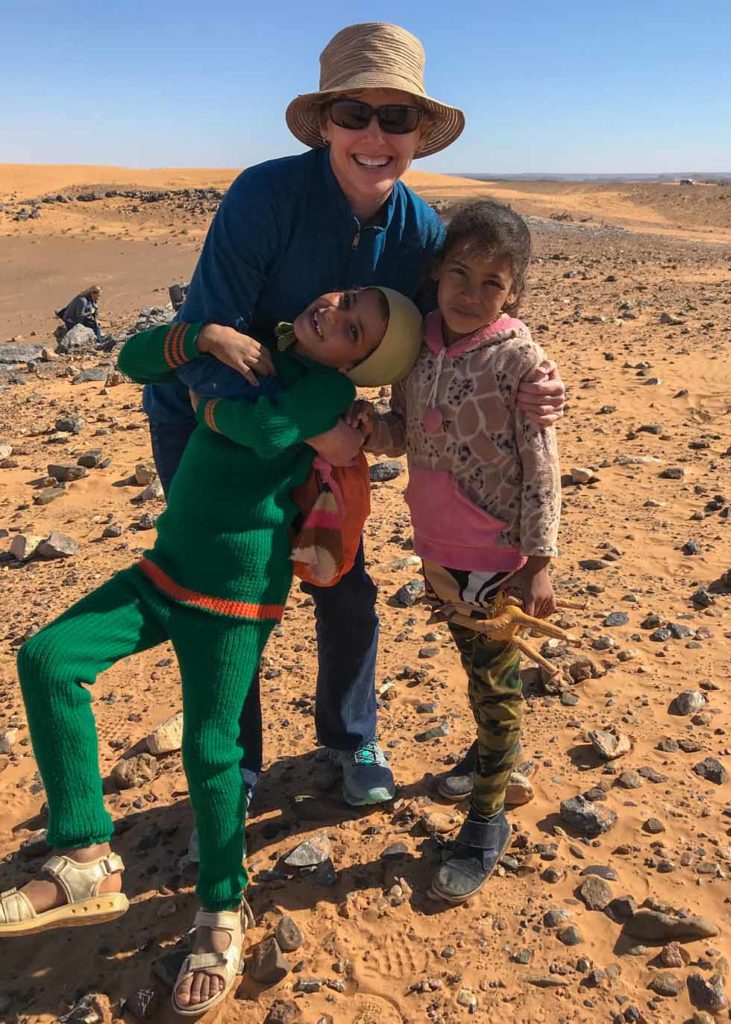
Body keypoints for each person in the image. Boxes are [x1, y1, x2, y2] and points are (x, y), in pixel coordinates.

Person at [144, 21, 566, 810]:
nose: (374, 136)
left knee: (343, 586)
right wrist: (301, 426)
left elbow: (448, 336)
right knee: (235, 586)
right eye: (354, 114)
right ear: (326, 122)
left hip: (334, 428)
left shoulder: (420, 233)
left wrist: (530, 382)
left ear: (416, 135)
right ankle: (234, 767)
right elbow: (206, 342)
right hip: (208, 419)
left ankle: (350, 736)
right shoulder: (263, 196)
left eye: (395, 118)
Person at [0, 287, 423, 1017]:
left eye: (352, 330)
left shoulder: (324, 387)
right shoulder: (253, 346)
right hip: (165, 571)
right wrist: (200, 339)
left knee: (210, 747)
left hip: (235, 595)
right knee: (47, 658)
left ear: (358, 363)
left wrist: (208, 406)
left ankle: (221, 912)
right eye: (344, 302)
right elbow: (136, 360)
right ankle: (84, 857)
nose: (334, 315)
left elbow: (264, 433)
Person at [356, 200, 562, 903]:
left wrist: (539, 561)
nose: (471, 295)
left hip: (497, 557)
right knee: (475, 668)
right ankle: (484, 757)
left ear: (515, 293)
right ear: (435, 275)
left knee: (496, 687)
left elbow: (542, 463)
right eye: (458, 275)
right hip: (438, 549)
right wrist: (365, 429)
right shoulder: (416, 344)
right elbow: (403, 431)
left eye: (491, 284)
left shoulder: (520, 360)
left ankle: (486, 819)